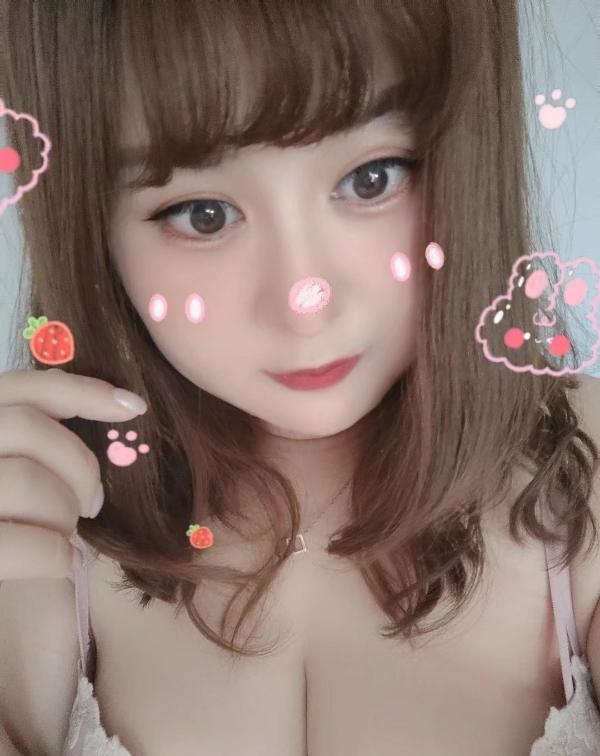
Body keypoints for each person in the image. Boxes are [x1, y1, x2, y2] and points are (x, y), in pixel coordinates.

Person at [0, 1, 599, 754]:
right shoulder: (37, 515)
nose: (302, 306)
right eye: (203, 215)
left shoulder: (581, 473)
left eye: (372, 178)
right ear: (92, 229)